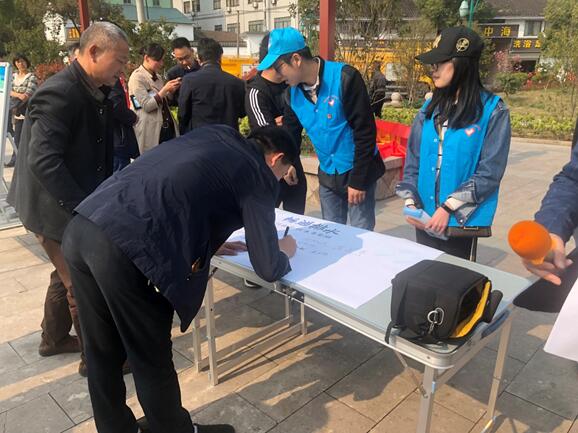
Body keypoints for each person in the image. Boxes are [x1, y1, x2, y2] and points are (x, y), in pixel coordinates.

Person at [61, 125, 298, 433]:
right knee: (150, 353)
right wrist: (284, 250)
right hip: (123, 247)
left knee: (101, 349)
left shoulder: (219, 134)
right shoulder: (257, 173)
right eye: (282, 172)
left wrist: (208, 241)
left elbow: (182, 188)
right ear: (276, 158)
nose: (278, 179)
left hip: (84, 226)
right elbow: (267, 266)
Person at [7, 22, 130, 377]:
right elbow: (44, 161)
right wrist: (85, 208)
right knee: (80, 281)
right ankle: (96, 361)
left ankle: (54, 338)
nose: (123, 69)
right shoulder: (59, 92)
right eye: (119, 61)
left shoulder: (95, 86)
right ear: (93, 52)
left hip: (67, 200)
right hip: (52, 205)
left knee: (62, 271)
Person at [396, 26, 511, 260]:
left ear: (461, 63)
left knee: (454, 278)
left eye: (440, 63)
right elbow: (414, 159)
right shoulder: (429, 109)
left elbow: (490, 172)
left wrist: (448, 207)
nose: (433, 69)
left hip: (459, 219)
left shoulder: (492, 111)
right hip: (425, 216)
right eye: (432, 64)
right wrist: (410, 200)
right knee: (425, 274)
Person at [258, 27, 385, 231]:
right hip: (328, 175)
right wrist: (287, 164)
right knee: (330, 233)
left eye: (278, 67)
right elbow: (290, 136)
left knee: (361, 233)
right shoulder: (291, 95)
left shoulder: (345, 78)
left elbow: (365, 132)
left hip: (357, 170)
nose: (277, 75)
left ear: (296, 60)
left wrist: (358, 181)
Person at [245, 32, 307, 215]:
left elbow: (297, 122)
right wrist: (284, 166)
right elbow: (267, 134)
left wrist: (283, 124)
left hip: (293, 161)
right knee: (267, 219)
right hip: (271, 167)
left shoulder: (293, 85)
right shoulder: (256, 92)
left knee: (297, 218)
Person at [178, 38, 245, 134]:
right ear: (220, 57)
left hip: (198, 137)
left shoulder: (189, 80)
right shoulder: (236, 82)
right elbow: (242, 112)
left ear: (199, 58)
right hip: (228, 137)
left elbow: (183, 114)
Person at [128, 43, 180, 154]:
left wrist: (171, 91)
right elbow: (147, 105)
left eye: (162, 60)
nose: (161, 64)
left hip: (166, 128)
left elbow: (163, 101)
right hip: (150, 130)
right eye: (158, 60)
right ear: (146, 58)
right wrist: (165, 90)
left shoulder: (158, 77)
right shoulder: (137, 77)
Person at [5, 53, 38, 167]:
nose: (21, 63)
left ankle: (28, 162)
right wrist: (18, 95)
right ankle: (15, 160)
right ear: (15, 63)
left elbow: (27, 95)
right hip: (15, 109)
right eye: (18, 61)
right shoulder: (13, 76)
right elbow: (7, 90)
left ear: (26, 62)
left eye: (23, 61)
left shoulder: (31, 77)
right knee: (17, 137)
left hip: (26, 110)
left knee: (29, 137)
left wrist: (15, 95)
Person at [110, 74, 139, 171]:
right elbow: (115, 105)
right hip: (117, 138)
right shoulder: (109, 77)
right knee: (120, 173)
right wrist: (132, 117)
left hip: (115, 137)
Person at [166, 37, 200, 104]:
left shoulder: (203, 69)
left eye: (187, 57)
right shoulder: (172, 74)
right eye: (180, 59)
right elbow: (169, 102)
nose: (184, 62)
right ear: (175, 56)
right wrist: (170, 92)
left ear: (192, 51)